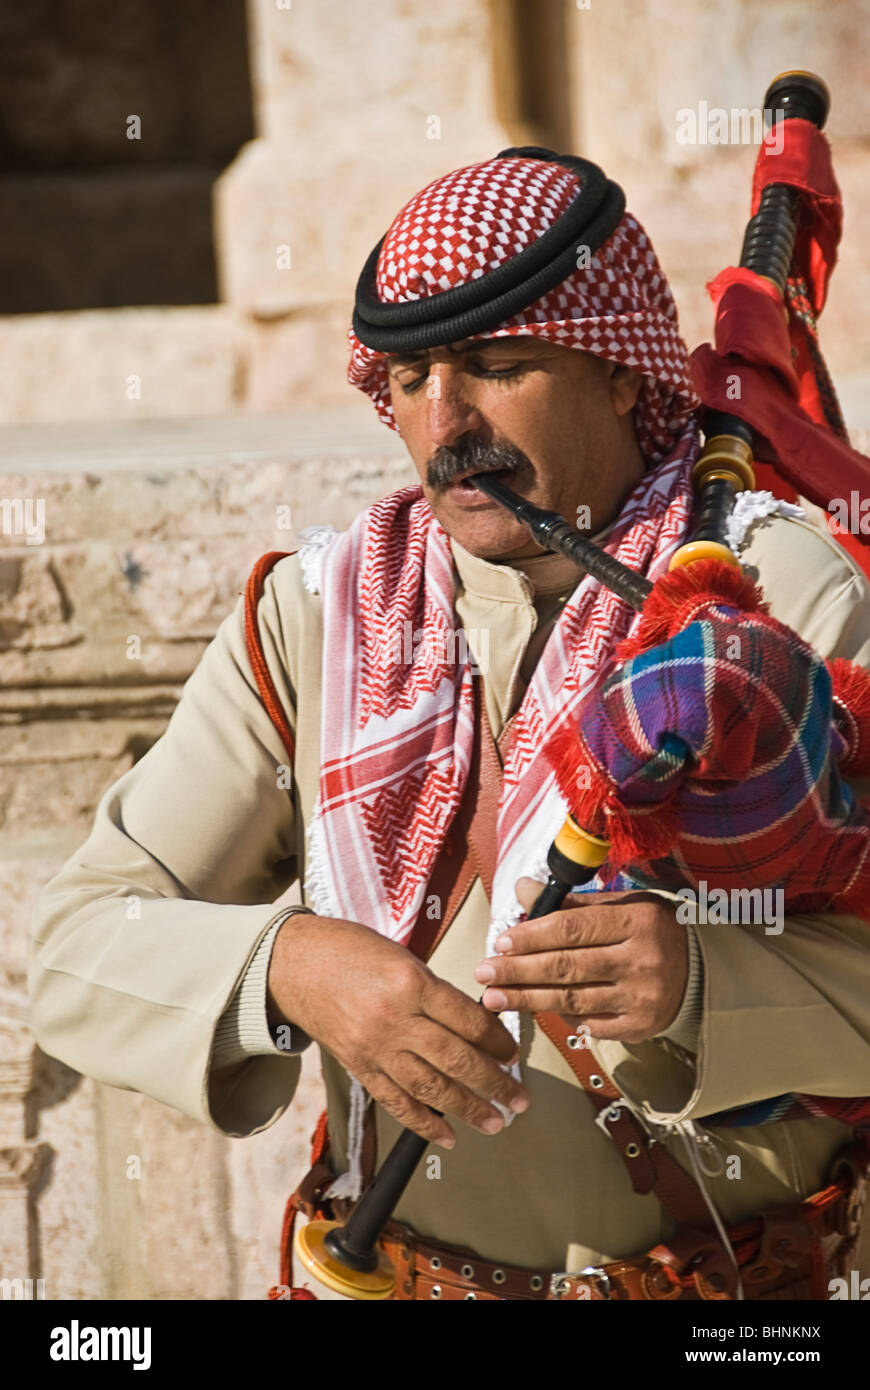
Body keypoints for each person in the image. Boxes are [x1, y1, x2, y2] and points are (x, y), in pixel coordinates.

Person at [30, 150, 870, 1301]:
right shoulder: (320, 615)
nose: (445, 421)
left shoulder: (774, 595)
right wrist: (288, 966)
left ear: (621, 374)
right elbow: (76, 944)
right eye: (410, 376)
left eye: (496, 366)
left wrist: (699, 981)